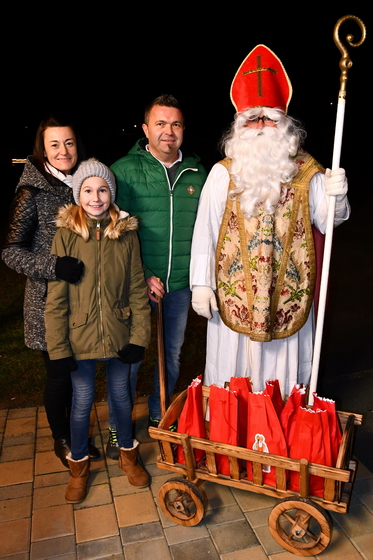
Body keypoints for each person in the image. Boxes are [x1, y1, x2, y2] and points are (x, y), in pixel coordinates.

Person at [190, 44, 350, 399]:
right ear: (239, 125)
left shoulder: (308, 172)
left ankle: (282, 442)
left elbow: (330, 221)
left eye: (269, 118)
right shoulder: (222, 175)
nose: (261, 126)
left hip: (288, 299)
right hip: (235, 299)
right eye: (253, 118)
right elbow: (206, 230)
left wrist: (337, 194)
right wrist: (200, 285)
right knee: (233, 376)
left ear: (284, 124)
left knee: (285, 375)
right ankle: (231, 441)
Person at [44, 159, 151, 503]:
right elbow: (57, 298)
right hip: (79, 338)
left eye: (102, 190)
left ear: (112, 193)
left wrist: (139, 337)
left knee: (122, 397)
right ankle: (79, 465)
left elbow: (136, 287)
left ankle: (128, 455)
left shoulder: (126, 234)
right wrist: (58, 350)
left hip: (120, 334)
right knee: (82, 402)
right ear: (78, 196)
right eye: (88, 190)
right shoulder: (67, 236)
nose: (96, 197)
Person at [2, 115, 100, 466]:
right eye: (54, 144)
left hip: (85, 303)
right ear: (42, 150)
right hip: (48, 306)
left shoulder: (87, 183)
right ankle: (64, 439)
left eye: (69, 143)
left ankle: (78, 433)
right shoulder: (31, 192)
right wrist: (52, 266)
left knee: (81, 376)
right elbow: (11, 251)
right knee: (60, 376)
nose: (63, 151)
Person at [111, 94, 207, 442]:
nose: (169, 131)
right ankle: (117, 428)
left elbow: (208, 228)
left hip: (179, 285)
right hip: (136, 285)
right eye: (161, 123)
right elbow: (114, 231)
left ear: (183, 130)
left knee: (171, 355)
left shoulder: (199, 172)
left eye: (176, 124)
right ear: (145, 129)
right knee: (130, 358)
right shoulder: (124, 170)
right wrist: (141, 274)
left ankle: (158, 412)